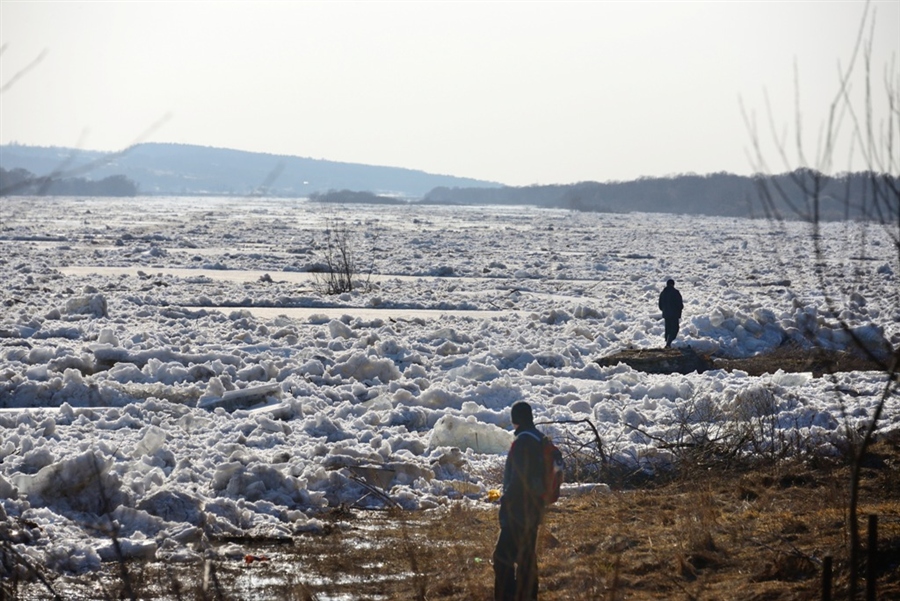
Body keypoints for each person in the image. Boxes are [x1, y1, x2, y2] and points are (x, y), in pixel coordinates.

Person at [494, 401, 546, 601]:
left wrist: (505, 504)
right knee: (526, 558)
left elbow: (519, 479)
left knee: (501, 558)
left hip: (519, 511)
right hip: (535, 509)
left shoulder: (523, 441)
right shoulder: (539, 438)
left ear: (515, 419)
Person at [658, 278, 684, 348]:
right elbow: (679, 304)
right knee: (675, 328)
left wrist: (664, 310)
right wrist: (679, 310)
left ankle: (667, 342)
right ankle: (669, 343)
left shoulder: (663, 293)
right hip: (674, 314)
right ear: (673, 284)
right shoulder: (676, 292)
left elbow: (660, 305)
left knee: (668, 329)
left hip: (666, 314)